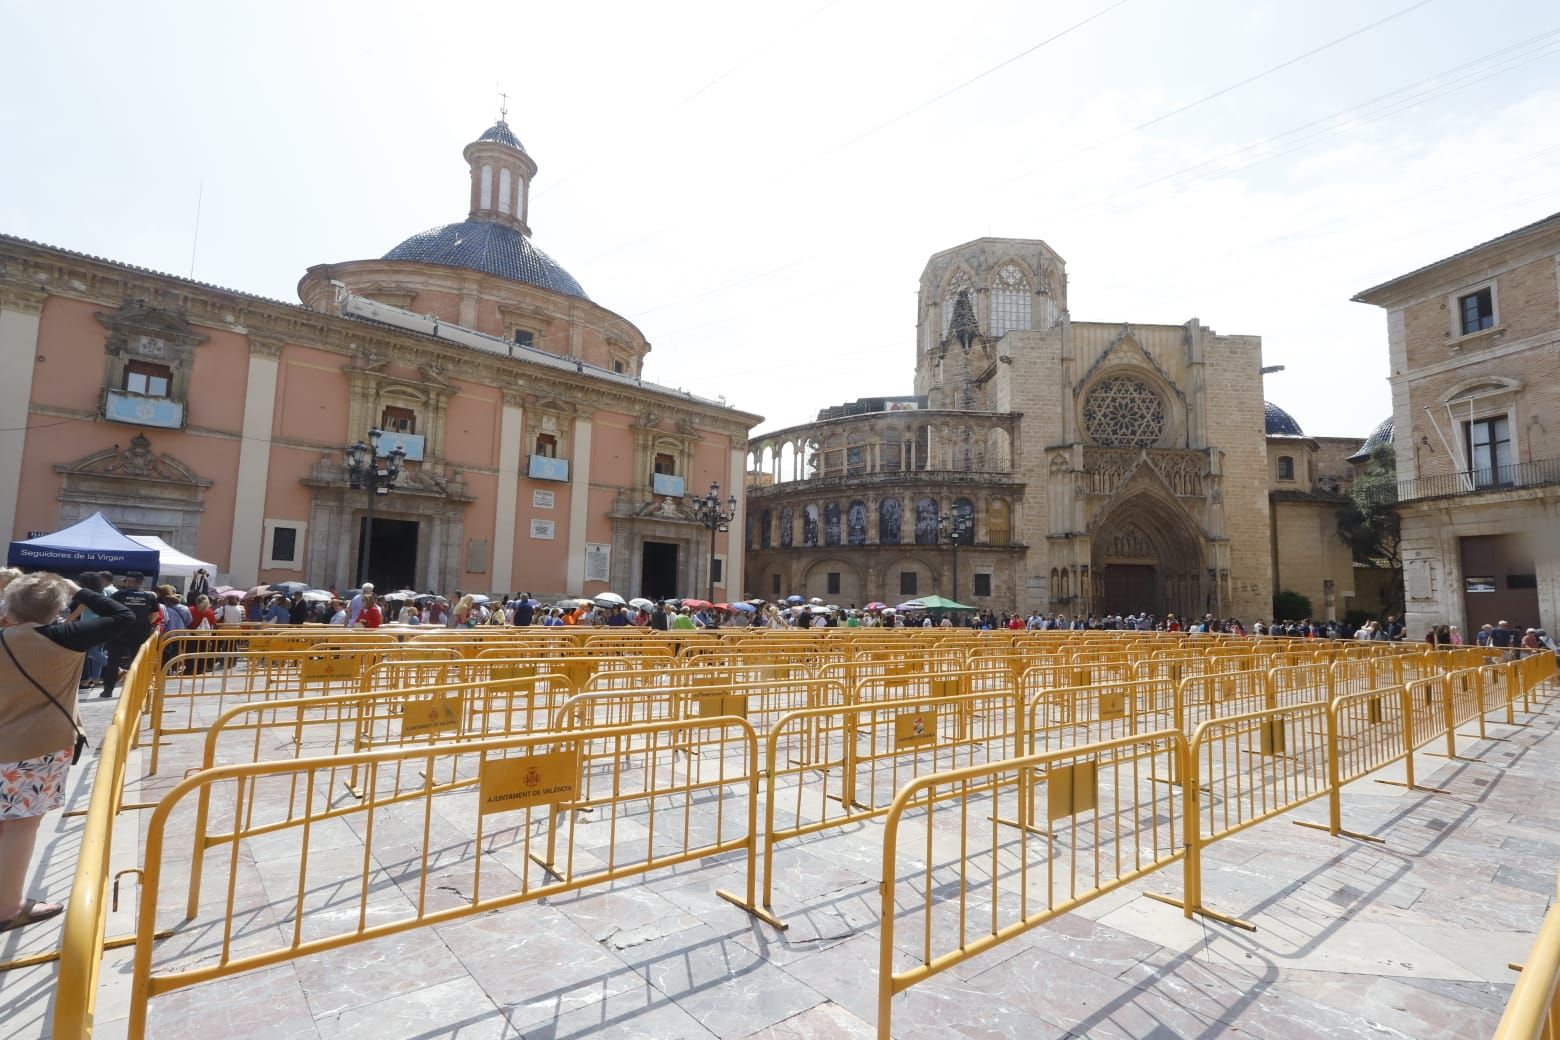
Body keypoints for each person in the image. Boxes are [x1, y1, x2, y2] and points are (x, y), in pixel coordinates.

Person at [2, 572, 133, 932]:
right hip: (38, 745)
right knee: (22, 826)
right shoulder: (65, 638)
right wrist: (79, 591)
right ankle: (9, 907)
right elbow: (123, 616)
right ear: (58, 609)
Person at [99, 571, 159, 700]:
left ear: (130, 581)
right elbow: (155, 616)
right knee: (137, 662)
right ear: (141, 582)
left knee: (113, 662)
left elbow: (108, 612)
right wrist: (143, 623)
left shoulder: (118, 595)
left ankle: (108, 691)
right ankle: (137, 690)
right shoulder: (150, 597)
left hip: (119, 632)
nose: (124, 583)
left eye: (125, 581)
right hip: (140, 633)